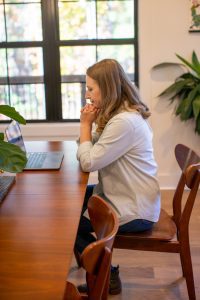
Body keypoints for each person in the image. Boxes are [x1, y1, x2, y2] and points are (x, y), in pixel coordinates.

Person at [75, 59, 161, 295]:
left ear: (108, 87)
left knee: (68, 226)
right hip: (123, 193)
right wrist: (88, 131)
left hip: (135, 209)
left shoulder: (124, 122)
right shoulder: (120, 114)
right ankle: (100, 272)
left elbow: (89, 161)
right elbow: (90, 151)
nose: (87, 94)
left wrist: (85, 127)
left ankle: (106, 275)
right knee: (71, 205)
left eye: (91, 88)